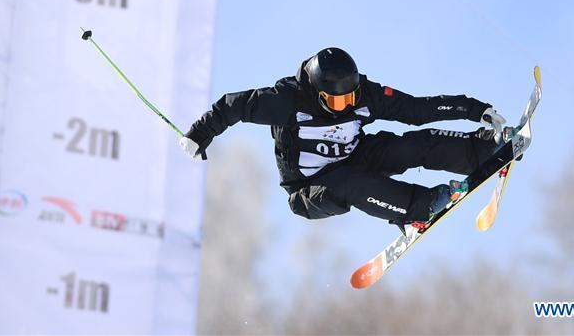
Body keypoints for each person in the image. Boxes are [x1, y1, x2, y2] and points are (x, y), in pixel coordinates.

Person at [179, 47, 509, 229]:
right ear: (318, 93)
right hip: (310, 189)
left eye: (351, 98)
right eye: (338, 102)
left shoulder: (365, 95)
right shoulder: (287, 100)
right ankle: (420, 207)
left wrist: (473, 109)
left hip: (355, 154)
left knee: (408, 146)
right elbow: (233, 106)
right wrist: (200, 133)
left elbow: (417, 109)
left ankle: (480, 149)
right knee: (351, 183)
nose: (346, 106)